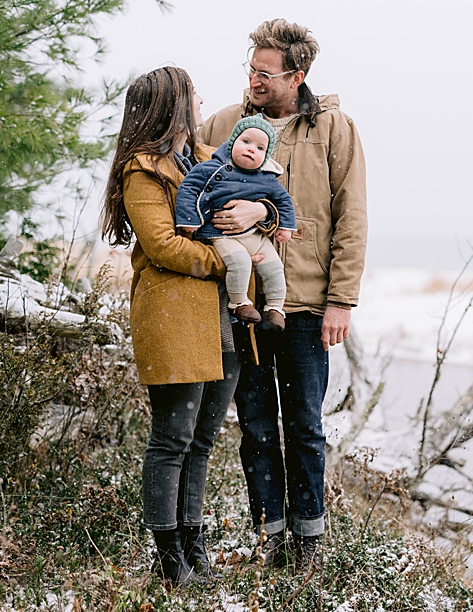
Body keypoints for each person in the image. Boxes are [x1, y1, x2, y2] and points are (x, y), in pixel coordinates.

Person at [197, 18, 367, 570]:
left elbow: (351, 218)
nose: (253, 79)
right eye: (250, 68)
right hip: (244, 304)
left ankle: (309, 544)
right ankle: (268, 537)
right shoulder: (228, 123)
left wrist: (341, 300)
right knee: (255, 426)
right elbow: (182, 161)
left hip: (306, 307)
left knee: (306, 428)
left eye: (264, 72)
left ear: (296, 75)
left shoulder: (334, 129)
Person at [99, 66, 274, 587]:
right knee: (172, 437)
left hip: (221, 319)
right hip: (173, 316)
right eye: (193, 93)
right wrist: (233, 261)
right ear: (174, 102)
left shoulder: (205, 160)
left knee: (202, 439)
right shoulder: (143, 169)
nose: (201, 101)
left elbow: (251, 200)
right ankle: (168, 556)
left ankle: (194, 547)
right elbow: (162, 246)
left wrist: (260, 210)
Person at [176, 114, 297, 331]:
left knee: (274, 267)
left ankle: (276, 308)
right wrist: (189, 218)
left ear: (267, 155)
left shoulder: (267, 178)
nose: (252, 149)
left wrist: (285, 226)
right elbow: (189, 188)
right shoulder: (212, 168)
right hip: (222, 234)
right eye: (246, 142)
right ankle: (239, 303)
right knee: (240, 263)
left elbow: (283, 201)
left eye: (260, 148)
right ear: (232, 143)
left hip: (256, 236)